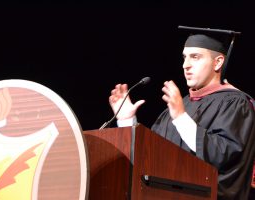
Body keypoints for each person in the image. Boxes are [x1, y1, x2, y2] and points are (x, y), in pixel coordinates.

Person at [107, 26, 255, 200]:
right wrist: (127, 122)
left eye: (195, 57)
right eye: (184, 57)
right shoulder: (178, 106)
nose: (186, 65)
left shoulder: (234, 103)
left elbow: (223, 156)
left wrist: (181, 118)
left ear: (218, 62)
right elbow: (150, 155)